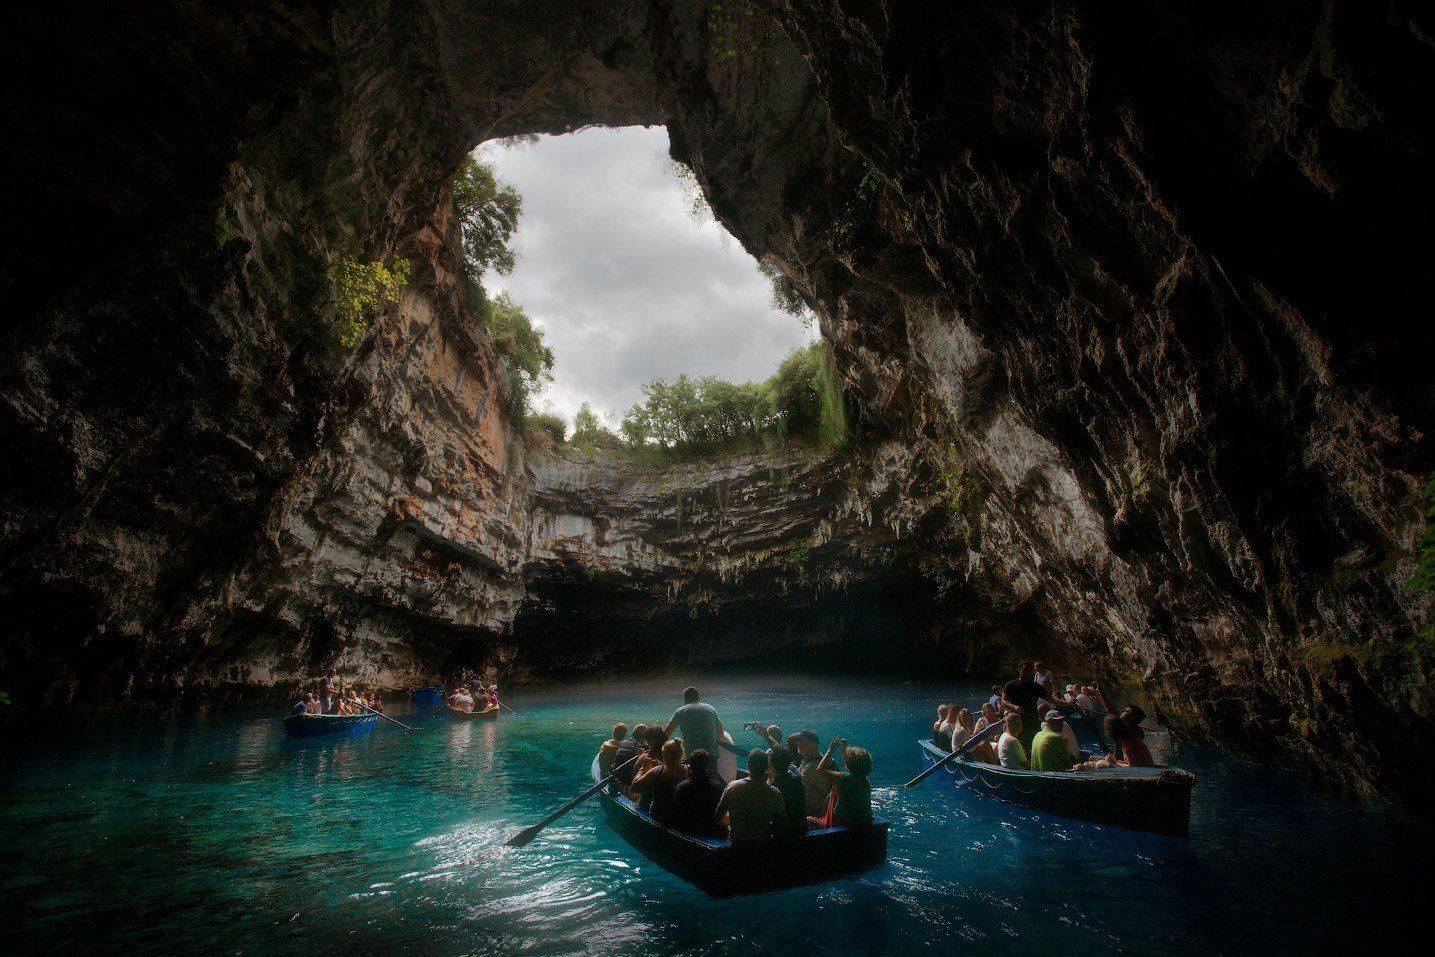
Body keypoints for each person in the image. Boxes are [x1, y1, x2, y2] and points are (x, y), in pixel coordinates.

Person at [717, 749, 785, 842]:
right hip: (762, 845)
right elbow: (782, 825)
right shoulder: (774, 793)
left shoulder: (732, 787)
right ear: (767, 767)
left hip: (736, 844)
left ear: (747, 766)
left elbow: (718, 815)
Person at [1002, 661, 1068, 749]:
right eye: (1025, 670)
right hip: (1016, 721)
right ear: (1019, 669)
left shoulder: (1036, 687)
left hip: (1032, 721)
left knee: (1033, 745)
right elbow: (1003, 701)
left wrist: (1067, 703)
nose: (1027, 672)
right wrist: (1013, 706)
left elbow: (1052, 699)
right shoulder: (1010, 685)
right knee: (1017, 745)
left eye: (1029, 670)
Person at [811, 738, 873, 828]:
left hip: (842, 825)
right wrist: (844, 748)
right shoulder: (864, 780)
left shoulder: (844, 779)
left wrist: (830, 750)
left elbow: (820, 769)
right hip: (862, 823)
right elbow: (849, 767)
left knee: (807, 819)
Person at [671, 749, 725, 837]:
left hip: (687, 830)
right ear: (708, 766)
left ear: (690, 766)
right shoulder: (718, 787)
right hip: (711, 831)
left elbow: (677, 813)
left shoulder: (681, 787)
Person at [666, 687, 723, 768]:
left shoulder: (680, 711)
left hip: (691, 755)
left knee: (691, 778)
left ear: (685, 699)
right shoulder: (710, 708)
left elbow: (668, 732)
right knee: (711, 778)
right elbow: (720, 733)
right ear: (699, 697)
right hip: (710, 754)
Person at [633, 739, 686, 821]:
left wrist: (644, 768)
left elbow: (635, 787)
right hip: (678, 816)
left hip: (658, 814)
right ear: (681, 755)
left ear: (663, 755)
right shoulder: (688, 770)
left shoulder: (657, 771)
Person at [766, 746, 807, 837]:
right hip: (800, 830)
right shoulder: (797, 779)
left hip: (781, 835)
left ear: (770, 764)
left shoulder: (772, 789)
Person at [791, 730, 830, 816]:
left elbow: (798, 787)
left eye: (800, 741)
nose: (797, 743)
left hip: (813, 813)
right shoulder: (807, 759)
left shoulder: (814, 765)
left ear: (811, 745)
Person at [612, 724, 646, 789]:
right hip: (627, 781)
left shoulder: (622, 743)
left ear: (633, 734)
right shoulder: (644, 747)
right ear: (645, 737)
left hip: (615, 776)